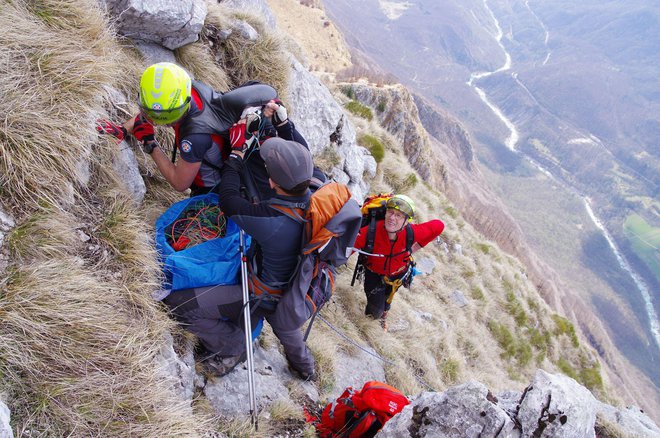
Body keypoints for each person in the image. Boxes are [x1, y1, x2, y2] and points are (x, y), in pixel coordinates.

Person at [96, 62, 312, 198]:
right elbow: (155, 110)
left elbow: (180, 182)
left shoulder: (195, 137)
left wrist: (151, 145)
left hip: (213, 190)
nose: (147, 117)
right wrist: (123, 130)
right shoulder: (186, 88)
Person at [218, 132, 318, 380]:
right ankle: (306, 369)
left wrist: (235, 157)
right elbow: (300, 153)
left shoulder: (270, 220)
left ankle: (235, 347)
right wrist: (284, 125)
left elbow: (228, 201)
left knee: (245, 315)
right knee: (289, 332)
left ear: (271, 183)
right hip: (300, 287)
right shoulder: (317, 190)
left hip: (264, 294)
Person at [352, 195, 444, 330]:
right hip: (374, 275)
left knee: (389, 296)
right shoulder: (370, 231)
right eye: (390, 212)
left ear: (406, 221)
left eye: (399, 215)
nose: (392, 218)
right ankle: (376, 318)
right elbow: (348, 248)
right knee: (373, 314)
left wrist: (415, 248)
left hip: (398, 274)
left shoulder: (412, 232)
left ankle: (385, 314)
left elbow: (439, 226)